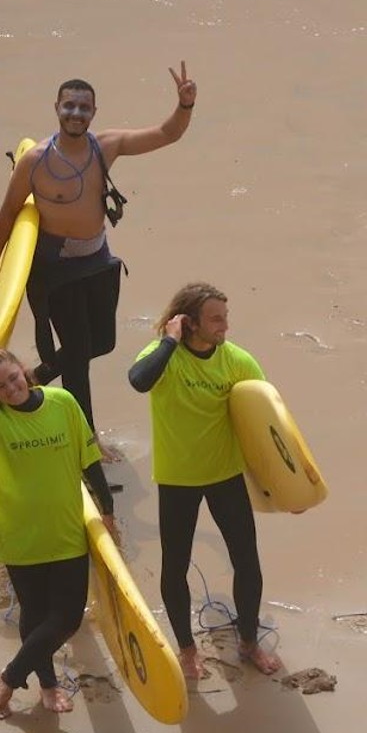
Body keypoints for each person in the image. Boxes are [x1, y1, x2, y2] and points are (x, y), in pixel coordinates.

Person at [0, 64, 197, 436]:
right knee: (77, 360)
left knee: (103, 341)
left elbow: (168, 134)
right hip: (56, 269)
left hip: (97, 259)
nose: (76, 113)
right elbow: (8, 214)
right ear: (56, 107)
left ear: (94, 112)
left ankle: (35, 375)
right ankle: (85, 440)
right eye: (69, 106)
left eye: (83, 107)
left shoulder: (106, 146)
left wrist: (184, 104)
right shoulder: (35, 161)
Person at [127, 282, 280, 680]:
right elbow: (139, 380)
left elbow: (269, 427)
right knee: (174, 566)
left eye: (225, 318)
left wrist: (283, 486)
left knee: (248, 561)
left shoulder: (237, 362)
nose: (224, 327)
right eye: (216, 319)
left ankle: (248, 641)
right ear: (189, 321)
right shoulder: (162, 358)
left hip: (225, 475)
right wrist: (169, 341)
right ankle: (187, 648)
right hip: (178, 479)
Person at [0, 348, 115, 718]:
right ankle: (48, 688)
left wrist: (107, 511)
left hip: (66, 531)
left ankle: (7, 680)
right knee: (34, 614)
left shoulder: (63, 403)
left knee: (66, 618)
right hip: (20, 536)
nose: (9, 388)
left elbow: (89, 460)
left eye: (12, 377)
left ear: (24, 370)